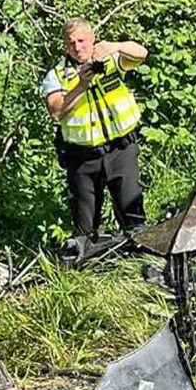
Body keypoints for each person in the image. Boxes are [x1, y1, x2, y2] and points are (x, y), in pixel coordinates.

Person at [40, 18, 149, 245]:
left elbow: (141, 53)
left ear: (92, 39)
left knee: (134, 218)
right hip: (83, 159)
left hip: (121, 150)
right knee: (85, 228)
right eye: (71, 43)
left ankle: (140, 259)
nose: (77, 47)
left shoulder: (108, 58)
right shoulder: (58, 75)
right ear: (64, 46)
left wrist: (115, 46)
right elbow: (56, 112)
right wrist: (81, 84)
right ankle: (86, 270)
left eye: (82, 41)